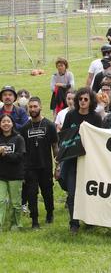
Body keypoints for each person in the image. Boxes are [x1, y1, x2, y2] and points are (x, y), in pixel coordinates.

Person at [60, 87, 102, 233]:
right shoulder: (71, 115)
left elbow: (100, 139)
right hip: (72, 160)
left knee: (89, 193)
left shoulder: (96, 117)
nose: (83, 101)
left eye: (86, 99)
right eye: (80, 99)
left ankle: (90, 221)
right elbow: (64, 136)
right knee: (72, 193)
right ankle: (74, 223)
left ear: (91, 101)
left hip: (89, 161)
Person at [20, 97, 57, 229]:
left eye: (35, 106)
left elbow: (55, 146)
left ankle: (49, 213)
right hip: (30, 167)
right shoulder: (24, 128)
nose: (33, 109)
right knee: (31, 193)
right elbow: (22, 151)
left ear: (40, 107)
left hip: (45, 165)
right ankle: (34, 221)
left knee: (47, 192)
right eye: (30, 107)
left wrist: (57, 165)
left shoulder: (49, 125)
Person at [0, 114, 26, 231]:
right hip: (1, 175)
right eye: (3, 122)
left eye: (8, 121)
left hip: (15, 175)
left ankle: (16, 224)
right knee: (0, 200)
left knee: (15, 202)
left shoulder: (19, 138)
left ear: (12, 124)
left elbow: (19, 157)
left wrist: (5, 154)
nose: (6, 124)